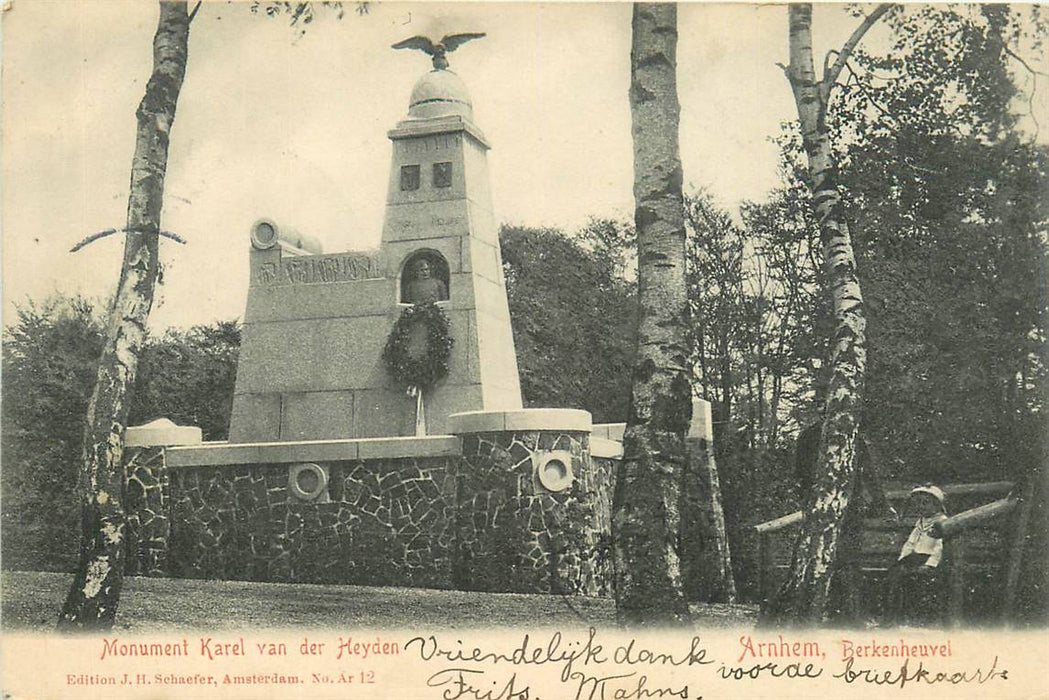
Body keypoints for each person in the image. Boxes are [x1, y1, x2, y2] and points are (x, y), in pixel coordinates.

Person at [880, 485, 949, 625]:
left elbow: (939, 546)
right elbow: (910, 542)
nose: (921, 507)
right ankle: (891, 617)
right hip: (915, 557)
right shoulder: (921, 522)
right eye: (919, 503)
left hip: (927, 558)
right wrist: (902, 559)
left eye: (925, 503)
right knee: (893, 575)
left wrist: (930, 564)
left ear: (937, 505)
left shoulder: (942, 521)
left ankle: (914, 618)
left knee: (914, 581)